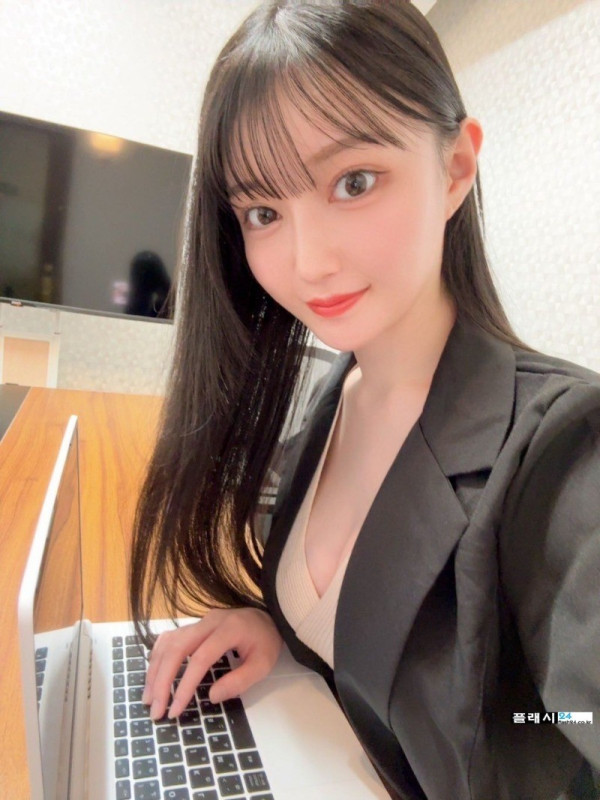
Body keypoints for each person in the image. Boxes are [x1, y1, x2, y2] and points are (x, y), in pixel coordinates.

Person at [129, 2, 600, 798]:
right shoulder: (332, 396)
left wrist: (525, 729)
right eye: (263, 212)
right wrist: (283, 633)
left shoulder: (565, 447)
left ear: (455, 168)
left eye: (354, 182)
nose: (307, 261)